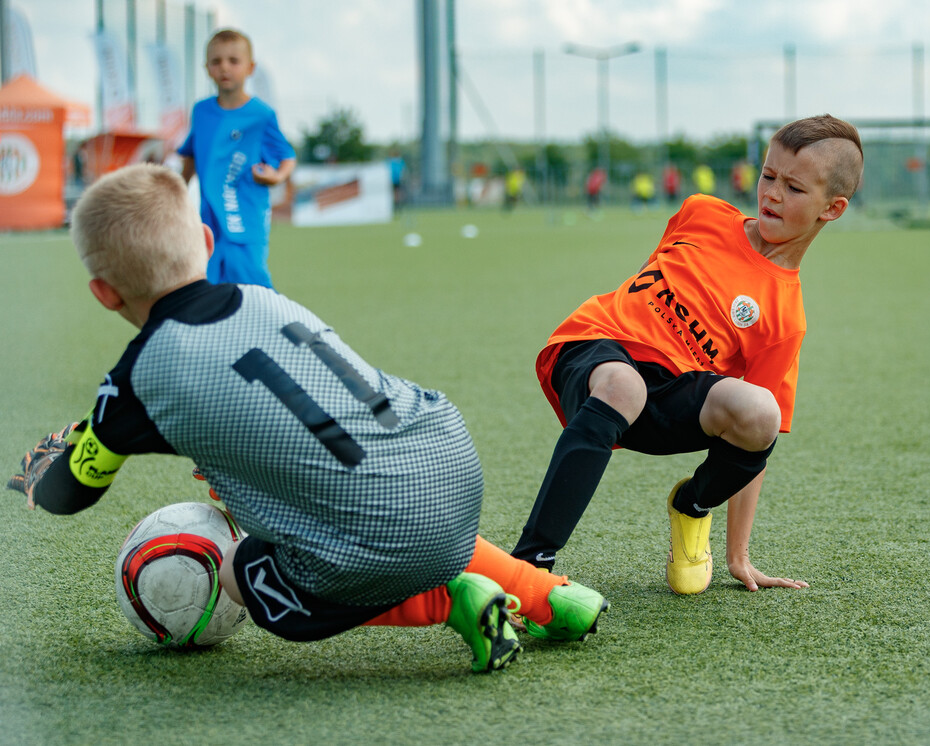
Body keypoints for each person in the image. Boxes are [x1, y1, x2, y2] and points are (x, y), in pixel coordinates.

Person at [7, 164, 608, 673]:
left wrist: (38, 469)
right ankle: (553, 597)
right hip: (445, 455)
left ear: (104, 294)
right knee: (393, 501)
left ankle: (450, 601)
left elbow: (68, 491)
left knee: (247, 576)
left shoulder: (138, 377)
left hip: (383, 526)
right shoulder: (263, 297)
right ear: (209, 244)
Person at [511, 115, 863, 595]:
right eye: (768, 176)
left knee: (762, 413)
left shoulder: (785, 320)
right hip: (596, 348)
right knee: (622, 383)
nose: (772, 194)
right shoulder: (702, 211)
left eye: (795, 188)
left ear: (833, 208)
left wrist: (740, 554)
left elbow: (753, 447)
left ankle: (691, 507)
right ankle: (528, 567)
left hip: (667, 399)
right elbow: (643, 278)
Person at [178, 28, 296, 288]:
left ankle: (270, 328)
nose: (224, 68)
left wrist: (276, 176)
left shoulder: (261, 115)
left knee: (253, 287)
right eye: (216, 61)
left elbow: (287, 157)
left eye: (233, 61)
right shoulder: (201, 111)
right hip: (208, 220)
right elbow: (190, 158)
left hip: (245, 219)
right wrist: (174, 197)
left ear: (250, 67)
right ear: (206, 68)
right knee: (206, 287)